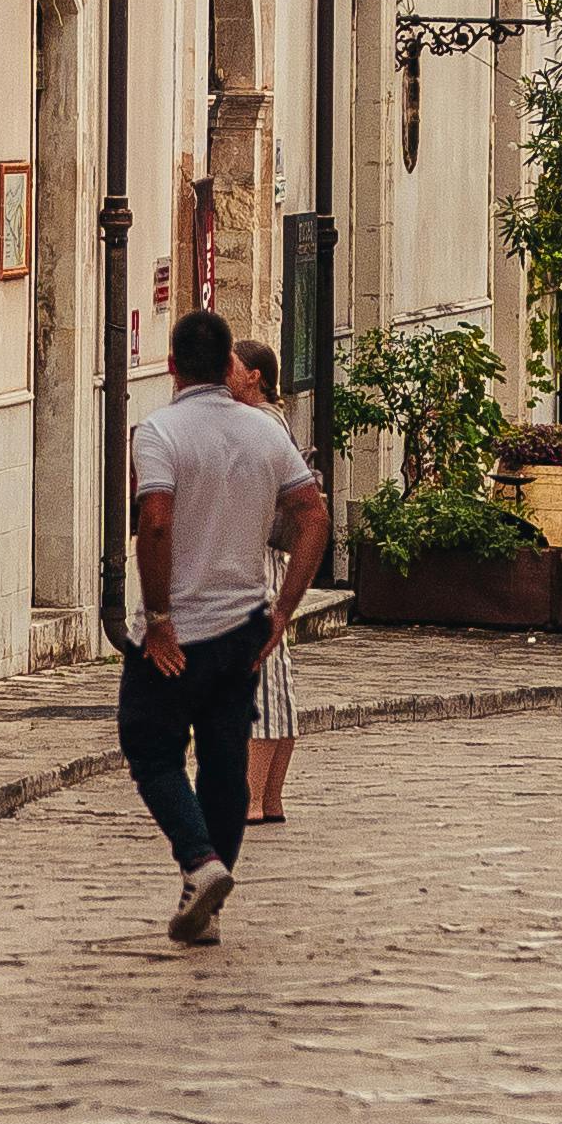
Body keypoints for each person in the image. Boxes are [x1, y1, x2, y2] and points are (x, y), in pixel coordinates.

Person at [122, 302, 322, 944]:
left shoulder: (158, 432)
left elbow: (154, 521)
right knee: (222, 761)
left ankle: (200, 863)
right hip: (242, 627)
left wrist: (157, 619)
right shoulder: (266, 433)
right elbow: (313, 517)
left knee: (152, 751)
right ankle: (205, 897)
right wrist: (285, 606)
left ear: (173, 364)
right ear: (230, 363)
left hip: (176, 632)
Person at [226, 334, 321, 832]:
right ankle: (269, 797)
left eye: (231, 368)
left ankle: (250, 799)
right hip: (266, 555)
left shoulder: (253, 425)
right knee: (275, 677)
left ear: (254, 377)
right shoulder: (271, 422)